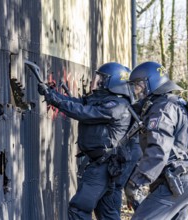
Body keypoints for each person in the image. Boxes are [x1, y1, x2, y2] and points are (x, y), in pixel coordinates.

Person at [38, 62, 132, 220]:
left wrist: (56, 101)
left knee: (78, 210)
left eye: (102, 78)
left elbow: (85, 112)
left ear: (113, 81)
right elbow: (79, 104)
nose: (97, 81)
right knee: (107, 214)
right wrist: (51, 93)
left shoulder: (117, 105)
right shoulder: (105, 100)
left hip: (103, 167)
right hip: (103, 165)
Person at [125, 61, 188, 219]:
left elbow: (159, 150)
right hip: (185, 178)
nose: (136, 91)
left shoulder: (163, 108)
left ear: (150, 84)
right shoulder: (174, 103)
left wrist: (135, 182)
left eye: (138, 85)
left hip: (176, 181)